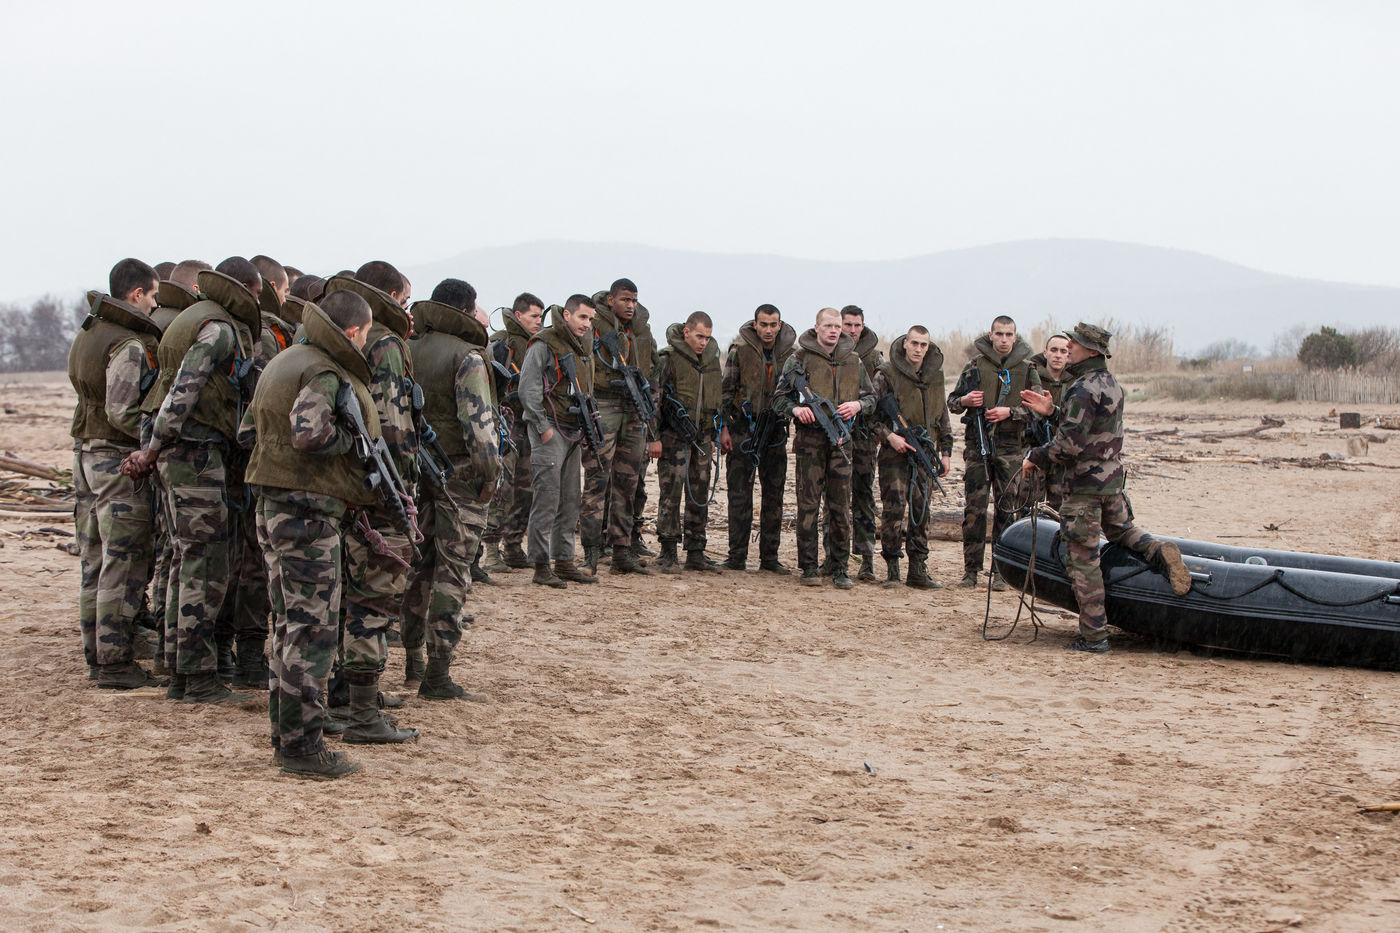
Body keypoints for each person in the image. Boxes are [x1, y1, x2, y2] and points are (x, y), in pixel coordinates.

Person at [241, 291, 414, 779]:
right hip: (307, 513)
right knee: (311, 632)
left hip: (276, 505)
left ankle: (287, 737)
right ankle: (303, 747)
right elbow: (309, 433)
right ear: (354, 331)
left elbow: (250, 431)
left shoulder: (285, 361)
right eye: (366, 332)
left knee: (287, 626)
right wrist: (351, 442)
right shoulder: (324, 371)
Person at [124, 257, 262, 703]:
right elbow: (184, 388)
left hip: (180, 451)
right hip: (193, 452)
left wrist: (155, 446)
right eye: (257, 293)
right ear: (244, 289)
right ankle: (199, 677)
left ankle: (180, 672)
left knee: (187, 560)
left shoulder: (192, 316)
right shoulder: (218, 329)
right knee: (205, 565)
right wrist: (154, 447)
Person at [1021, 322, 1191, 653]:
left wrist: (1035, 457)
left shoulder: (1082, 388)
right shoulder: (1110, 384)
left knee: (1083, 562)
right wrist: (1053, 412)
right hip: (1111, 482)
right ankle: (1158, 551)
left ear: (1091, 351)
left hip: (1084, 488)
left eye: (1074, 343)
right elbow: (1091, 428)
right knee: (1123, 531)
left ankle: (1094, 637)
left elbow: (1069, 445)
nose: (1069, 347)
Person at [400, 279, 502, 699]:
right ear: (466, 310)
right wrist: (490, 477)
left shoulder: (406, 348)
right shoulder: (467, 356)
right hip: (458, 477)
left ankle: (412, 660)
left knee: (417, 566)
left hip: (413, 472)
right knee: (453, 571)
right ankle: (438, 674)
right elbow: (479, 427)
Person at [322, 264, 419, 704]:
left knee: (342, 590)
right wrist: (403, 488)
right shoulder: (385, 343)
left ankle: (338, 685)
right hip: (378, 484)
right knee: (375, 594)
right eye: (404, 300)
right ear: (390, 296)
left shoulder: (330, 335)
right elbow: (392, 424)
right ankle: (361, 699)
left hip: (339, 481)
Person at [69, 259, 164, 688]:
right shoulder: (127, 343)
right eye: (153, 295)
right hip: (114, 461)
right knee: (121, 561)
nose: (155, 304)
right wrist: (156, 441)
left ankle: (97, 656)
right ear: (136, 294)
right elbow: (122, 411)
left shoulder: (89, 333)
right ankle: (113, 662)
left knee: (93, 560)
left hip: (85, 455)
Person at [773, 307, 874, 589]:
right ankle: (808, 566)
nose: (833, 331)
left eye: (837, 326)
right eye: (828, 325)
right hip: (810, 442)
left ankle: (839, 566)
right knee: (808, 505)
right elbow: (778, 399)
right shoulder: (798, 359)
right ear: (816, 327)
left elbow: (871, 398)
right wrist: (796, 410)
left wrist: (857, 405)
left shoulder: (853, 360)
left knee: (840, 507)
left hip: (842, 441)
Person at [947, 315, 1040, 591]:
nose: (1003, 339)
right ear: (991, 335)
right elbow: (952, 402)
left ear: (1015, 337)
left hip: (1011, 448)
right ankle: (971, 570)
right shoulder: (975, 366)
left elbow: (1038, 410)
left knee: (1006, 510)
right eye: (999, 334)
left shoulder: (1027, 369)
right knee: (974, 509)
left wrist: (1010, 412)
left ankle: (1001, 571)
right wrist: (966, 400)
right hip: (977, 447)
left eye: (1009, 334)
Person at [580, 278, 661, 575]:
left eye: (634, 301)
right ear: (611, 300)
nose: (630, 305)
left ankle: (622, 553)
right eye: (625, 300)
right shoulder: (594, 325)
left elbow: (653, 371)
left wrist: (652, 421)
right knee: (597, 480)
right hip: (605, 405)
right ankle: (590, 553)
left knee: (628, 483)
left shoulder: (642, 330)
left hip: (635, 409)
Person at [519, 295, 600, 587]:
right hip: (551, 429)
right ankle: (541, 565)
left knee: (569, 499)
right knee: (547, 498)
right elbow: (527, 390)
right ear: (567, 315)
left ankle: (564, 561)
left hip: (573, 431)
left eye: (590, 319)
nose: (587, 324)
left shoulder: (583, 347)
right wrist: (543, 428)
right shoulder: (544, 343)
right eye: (582, 317)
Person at [872, 325, 953, 589]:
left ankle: (917, 569)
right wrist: (890, 437)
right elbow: (870, 415)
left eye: (923, 345)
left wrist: (946, 453)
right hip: (894, 455)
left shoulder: (935, 376)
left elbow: (942, 416)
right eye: (914, 343)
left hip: (925, 453)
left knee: (922, 510)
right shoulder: (886, 374)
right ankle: (893, 569)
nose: (918, 349)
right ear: (905, 343)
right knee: (894, 508)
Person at [718, 303, 795, 573]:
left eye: (774, 325)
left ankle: (769, 558)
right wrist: (723, 429)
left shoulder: (791, 355)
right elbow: (725, 393)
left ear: (780, 326)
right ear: (755, 325)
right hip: (743, 429)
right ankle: (736, 556)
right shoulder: (739, 352)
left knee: (774, 496)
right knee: (739, 495)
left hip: (775, 432)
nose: (769, 330)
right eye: (764, 324)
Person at [652, 311, 722, 574]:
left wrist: (714, 434)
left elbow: (717, 400)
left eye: (707, 338)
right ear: (686, 332)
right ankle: (668, 550)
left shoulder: (712, 361)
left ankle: (696, 551)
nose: (703, 342)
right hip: (673, 436)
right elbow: (655, 400)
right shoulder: (667, 359)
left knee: (700, 494)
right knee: (671, 493)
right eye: (699, 336)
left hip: (702, 437)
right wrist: (654, 437)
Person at [481, 293, 544, 573]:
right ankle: (491, 551)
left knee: (526, 490)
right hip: (506, 425)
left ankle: (514, 546)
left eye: (541, 316)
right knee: (502, 489)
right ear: (518, 315)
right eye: (533, 316)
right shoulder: (501, 345)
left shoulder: (539, 346)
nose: (538, 321)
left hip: (529, 424)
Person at [826, 305, 883, 581]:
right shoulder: (829, 352)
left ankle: (866, 559)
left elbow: (879, 398)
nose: (851, 330)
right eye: (847, 324)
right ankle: (831, 556)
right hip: (835, 436)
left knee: (864, 497)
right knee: (833, 497)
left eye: (856, 325)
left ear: (863, 326)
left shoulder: (873, 358)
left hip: (864, 438)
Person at [1025, 332, 1071, 510]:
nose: (1058, 355)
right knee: (1028, 507)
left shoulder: (1076, 382)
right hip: (1034, 450)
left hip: (1062, 454)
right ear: (1045, 353)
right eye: (1054, 350)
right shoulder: (1031, 376)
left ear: (1069, 355)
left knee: (1060, 510)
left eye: (1063, 351)